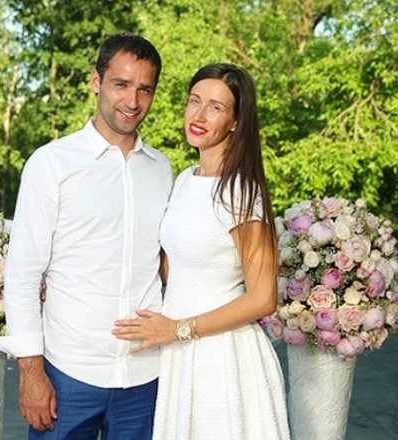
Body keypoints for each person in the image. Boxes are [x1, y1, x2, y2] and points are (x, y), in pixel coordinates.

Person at [0, 33, 173, 440]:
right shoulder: (51, 164)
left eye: (144, 89)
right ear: (96, 81)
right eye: (121, 84)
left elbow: (167, 264)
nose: (132, 101)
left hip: (146, 375)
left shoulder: (162, 169)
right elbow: (22, 274)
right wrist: (31, 371)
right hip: (68, 373)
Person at [112, 63, 291, 439]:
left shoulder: (241, 191)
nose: (199, 114)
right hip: (180, 354)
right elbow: (173, 268)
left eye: (215, 107)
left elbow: (263, 298)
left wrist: (179, 329)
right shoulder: (184, 179)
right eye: (195, 101)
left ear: (235, 122)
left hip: (221, 357)